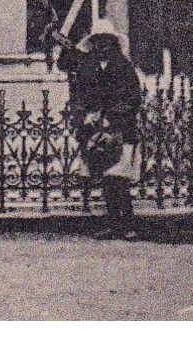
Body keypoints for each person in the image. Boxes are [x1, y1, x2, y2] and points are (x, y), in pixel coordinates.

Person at [59, 18, 143, 240]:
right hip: (95, 132)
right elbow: (78, 92)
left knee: (119, 177)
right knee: (106, 178)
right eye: (98, 42)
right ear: (93, 43)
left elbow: (133, 98)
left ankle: (128, 224)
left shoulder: (124, 67)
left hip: (121, 130)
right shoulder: (88, 67)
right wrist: (84, 115)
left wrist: (111, 116)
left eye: (107, 41)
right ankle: (115, 224)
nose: (102, 46)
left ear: (113, 43)